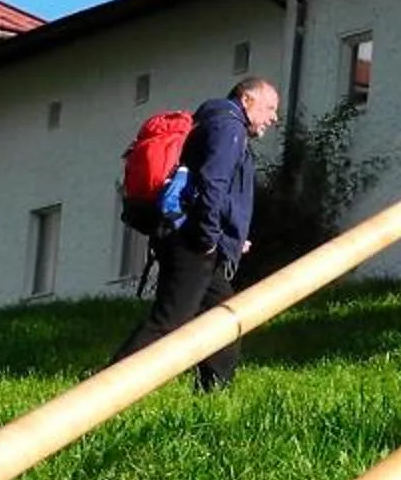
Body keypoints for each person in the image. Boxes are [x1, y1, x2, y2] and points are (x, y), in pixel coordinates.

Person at [112, 76, 278, 389]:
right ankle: (104, 387)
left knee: (225, 319)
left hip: (188, 235)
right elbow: (213, 183)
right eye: (269, 107)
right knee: (169, 322)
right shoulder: (229, 127)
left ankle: (214, 394)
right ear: (246, 100)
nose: (274, 117)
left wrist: (229, 238)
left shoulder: (212, 122)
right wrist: (209, 237)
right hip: (192, 240)